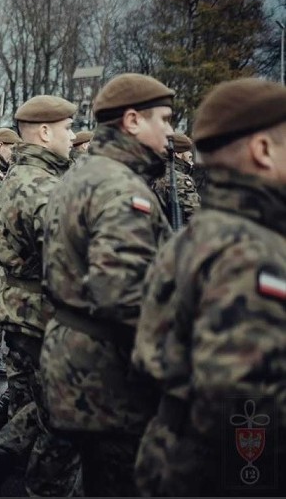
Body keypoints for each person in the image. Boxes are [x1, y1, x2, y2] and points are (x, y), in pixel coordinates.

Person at [134, 78, 286, 495]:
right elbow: (242, 408)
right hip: (221, 475)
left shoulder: (199, 236)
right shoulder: (251, 253)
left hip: (174, 453)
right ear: (263, 150)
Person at [40, 73, 174, 495]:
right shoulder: (119, 187)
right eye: (165, 120)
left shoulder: (83, 173)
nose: (170, 131)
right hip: (108, 375)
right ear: (132, 121)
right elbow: (121, 295)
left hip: (76, 358)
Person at [0, 96, 80, 496]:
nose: (73, 135)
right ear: (45, 132)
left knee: (34, 397)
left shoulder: (20, 174)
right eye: (67, 128)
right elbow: (67, 260)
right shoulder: (40, 185)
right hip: (39, 311)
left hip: (20, 308)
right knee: (58, 411)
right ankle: (17, 472)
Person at [150, 131, 200, 225]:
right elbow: (195, 219)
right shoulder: (179, 180)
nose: (191, 154)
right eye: (187, 150)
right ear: (177, 154)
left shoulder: (152, 173)